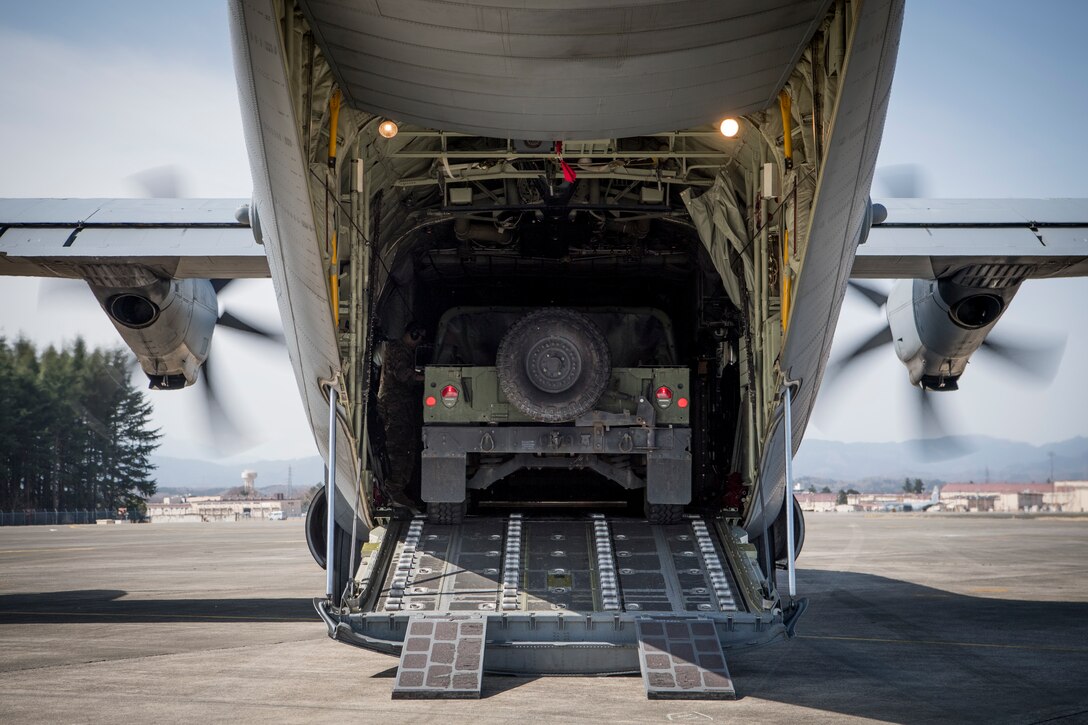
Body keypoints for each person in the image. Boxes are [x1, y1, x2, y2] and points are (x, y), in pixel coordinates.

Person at [377, 323, 425, 509]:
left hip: (401, 406)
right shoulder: (397, 349)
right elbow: (403, 375)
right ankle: (392, 490)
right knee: (397, 446)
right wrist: (427, 377)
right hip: (394, 406)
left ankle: (398, 490)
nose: (420, 341)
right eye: (419, 337)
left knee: (407, 446)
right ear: (413, 334)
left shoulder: (403, 350)